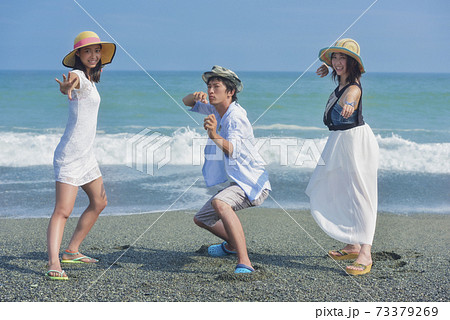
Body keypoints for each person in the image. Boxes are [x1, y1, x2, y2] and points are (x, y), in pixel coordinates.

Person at [182, 66, 271, 273]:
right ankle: (231, 245)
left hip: (251, 182)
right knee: (202, 218)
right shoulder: (216, 108)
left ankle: (245, 262)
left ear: (230, 92)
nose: (211, 91)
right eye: (208, 86)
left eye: (216, 87)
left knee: (220, 203)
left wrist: (214, 134)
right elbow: (187, 102)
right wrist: (194, 96)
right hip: (237, 181)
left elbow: (234, 150)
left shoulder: (235, 117)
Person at [46, 31, 116, 280]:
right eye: (88, 51)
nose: (94, 55)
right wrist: (65, 86)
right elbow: (70, 83)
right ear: (78, 54)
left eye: (97, 51)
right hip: (70, 155)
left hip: (86, 156)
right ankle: (54, 262)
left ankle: (72, 250)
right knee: (63, 210)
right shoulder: (77, 76)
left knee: (100, 202)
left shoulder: (91, 79)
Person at [305, 39, 379, 275]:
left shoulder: (354, 88)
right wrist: (330, 71)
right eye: (334, 57)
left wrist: (349, 104)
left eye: (342, 58)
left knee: (361, 194)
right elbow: (341, 83)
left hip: (356, 141)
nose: (337, 62)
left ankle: (365, 253)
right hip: (339, 141)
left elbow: (352, 97)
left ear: (353, 62)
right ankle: (351, 244)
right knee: (336, 188)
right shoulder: (342, 81)